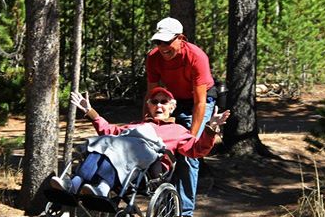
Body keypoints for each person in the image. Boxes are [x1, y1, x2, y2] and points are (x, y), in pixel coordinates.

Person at [50, 87, 230, 208]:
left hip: (150, 168)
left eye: (164, 101)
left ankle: (103, 188)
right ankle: (74, 184)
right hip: (124, 157)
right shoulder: (136, 125)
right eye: (154, 101)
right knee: (105, 141)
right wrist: (90, 111)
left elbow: (197, 150)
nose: (159, 105)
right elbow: (111, 130)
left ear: (172, 107)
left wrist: (210, 128)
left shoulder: (179, 130)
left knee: (123, 144)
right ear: (149, 106)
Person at [145, 17, 222, 217]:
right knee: (158, 149)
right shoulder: (153, 58)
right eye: (158, 42)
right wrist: (147, 124)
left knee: (189, 155)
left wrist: (191, 138)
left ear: (181, 39)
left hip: (199, 100)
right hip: (172, 101)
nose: (162, 47)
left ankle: (184, 215)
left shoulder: (196, 56)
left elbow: (199, 102)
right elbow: (151, 95)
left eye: (167, 42)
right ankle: (164, 205)